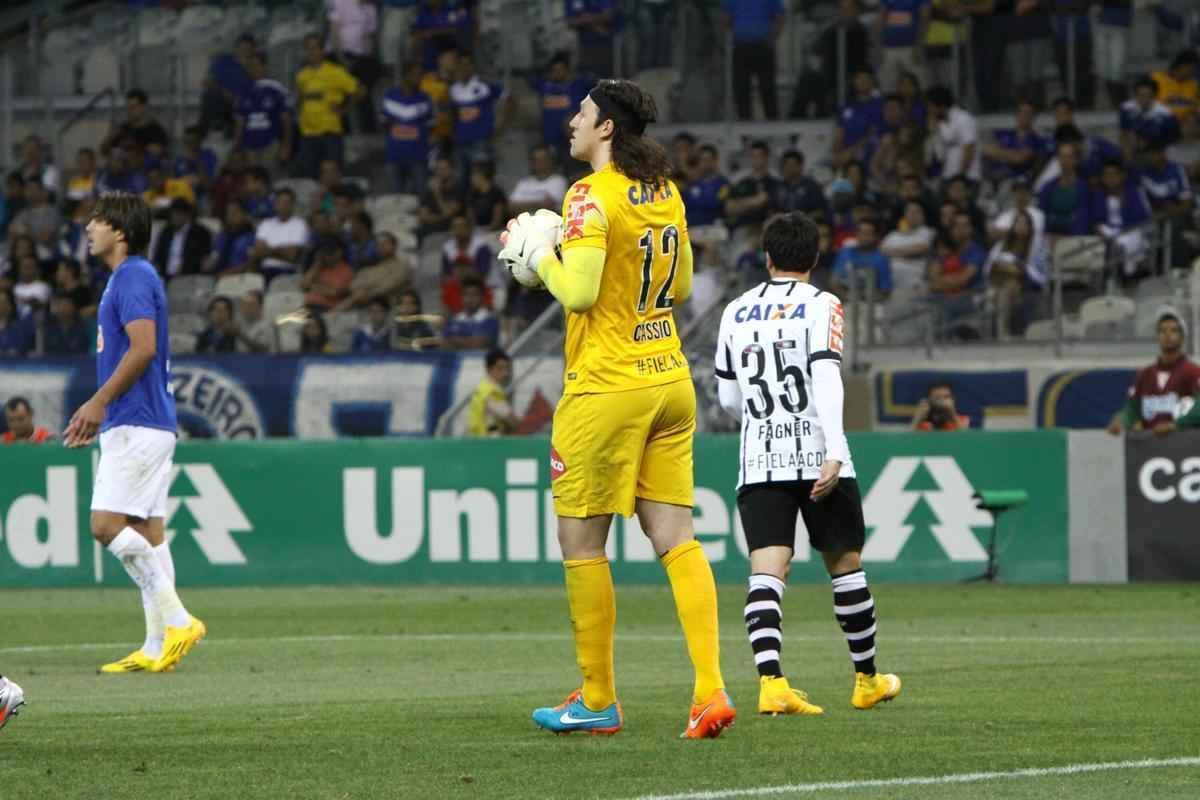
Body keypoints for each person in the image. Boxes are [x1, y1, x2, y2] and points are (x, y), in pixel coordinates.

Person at [499, 79, 731, 738]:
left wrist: (542, 254)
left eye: (582, 112)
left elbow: (576, 293)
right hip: (669, 380)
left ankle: (598, 698)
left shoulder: (587, 196)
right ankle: (709, 690)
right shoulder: (663, 192)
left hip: (605, 388)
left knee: (581, 544)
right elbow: (682, 284)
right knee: (677, 540)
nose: (571, 120)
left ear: (606, 129)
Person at [713, 212, 901, 716]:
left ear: (767, 258)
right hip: (818, 453)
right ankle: (866, 680)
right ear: (816, 259)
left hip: (759, 457)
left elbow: (727, 396)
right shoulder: (824, 305)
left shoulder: (735, 311)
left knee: (768, 570)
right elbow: (826, 378)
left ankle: (771, 683)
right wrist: (835, 450)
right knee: (845, 564)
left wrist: (760, 419)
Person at [63, 192, 205, 674]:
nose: (88, 228)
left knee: (105, 527)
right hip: (143, 421)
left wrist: (99, 402)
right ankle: (153, 646)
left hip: (137, 420)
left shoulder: (134, 276)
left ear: (120, 231)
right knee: (148, 531)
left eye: (97, 221)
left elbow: (142, 348)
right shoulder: (125, 279)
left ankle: (179, 619)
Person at [1107, 310, 1200, 437]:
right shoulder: (1145, 374)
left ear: (1182, 336)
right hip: (1150, 448)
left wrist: (1176, 425)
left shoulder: (1193, 372)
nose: (1167, 335)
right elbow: (1133, 408)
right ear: (1157, 336)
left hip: (1185, 445)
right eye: (1162, 331)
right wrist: (1121, 421)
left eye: (1174, 330)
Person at [295, 34, 363, 177]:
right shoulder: (301, 75)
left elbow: (359, 90)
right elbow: (301, 98)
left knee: (332, 176)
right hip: (308, 135)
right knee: (310, 176)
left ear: (322, 51)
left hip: (329, 134)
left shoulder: (335, 72)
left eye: (314, 48)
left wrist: (344, 109)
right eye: (308, 49)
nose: (311, 52)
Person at [723, 0, 784, 120]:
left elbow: (780, 17)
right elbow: (726, 18)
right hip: (741, 47)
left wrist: (772, 38)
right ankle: (745, 132)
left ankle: (774, 126)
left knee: (767, 89)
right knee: (741, 90)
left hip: (762, 47)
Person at [381, 60, 434, 196]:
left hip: (418, 156)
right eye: (415, 74)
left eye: (420, 75)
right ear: (406, 75)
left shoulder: (425, 98)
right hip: (395, 156)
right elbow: (384, 123)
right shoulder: (390, 96)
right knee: (396, 200)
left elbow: (431, 125)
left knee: (422, 197)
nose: (419, 78)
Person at [234, 51, 294, 168]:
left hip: (270, 145)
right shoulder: (243, 91)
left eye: (257, 65)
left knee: (270, 179)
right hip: (249, 146)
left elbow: (286, 120)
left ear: (265, 66)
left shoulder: (277, 88)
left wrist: (286, 146)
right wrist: (237, 146)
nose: (254, 69)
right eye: (250, 66)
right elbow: (239, 122)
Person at [466, 348, 519, 436]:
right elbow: (508, 416)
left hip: (480, 438)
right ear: (489, 369)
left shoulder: (482, 388)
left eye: (506, 368)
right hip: (486, 441)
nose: (505, 373)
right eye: (500, 368)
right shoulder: (490, 392)